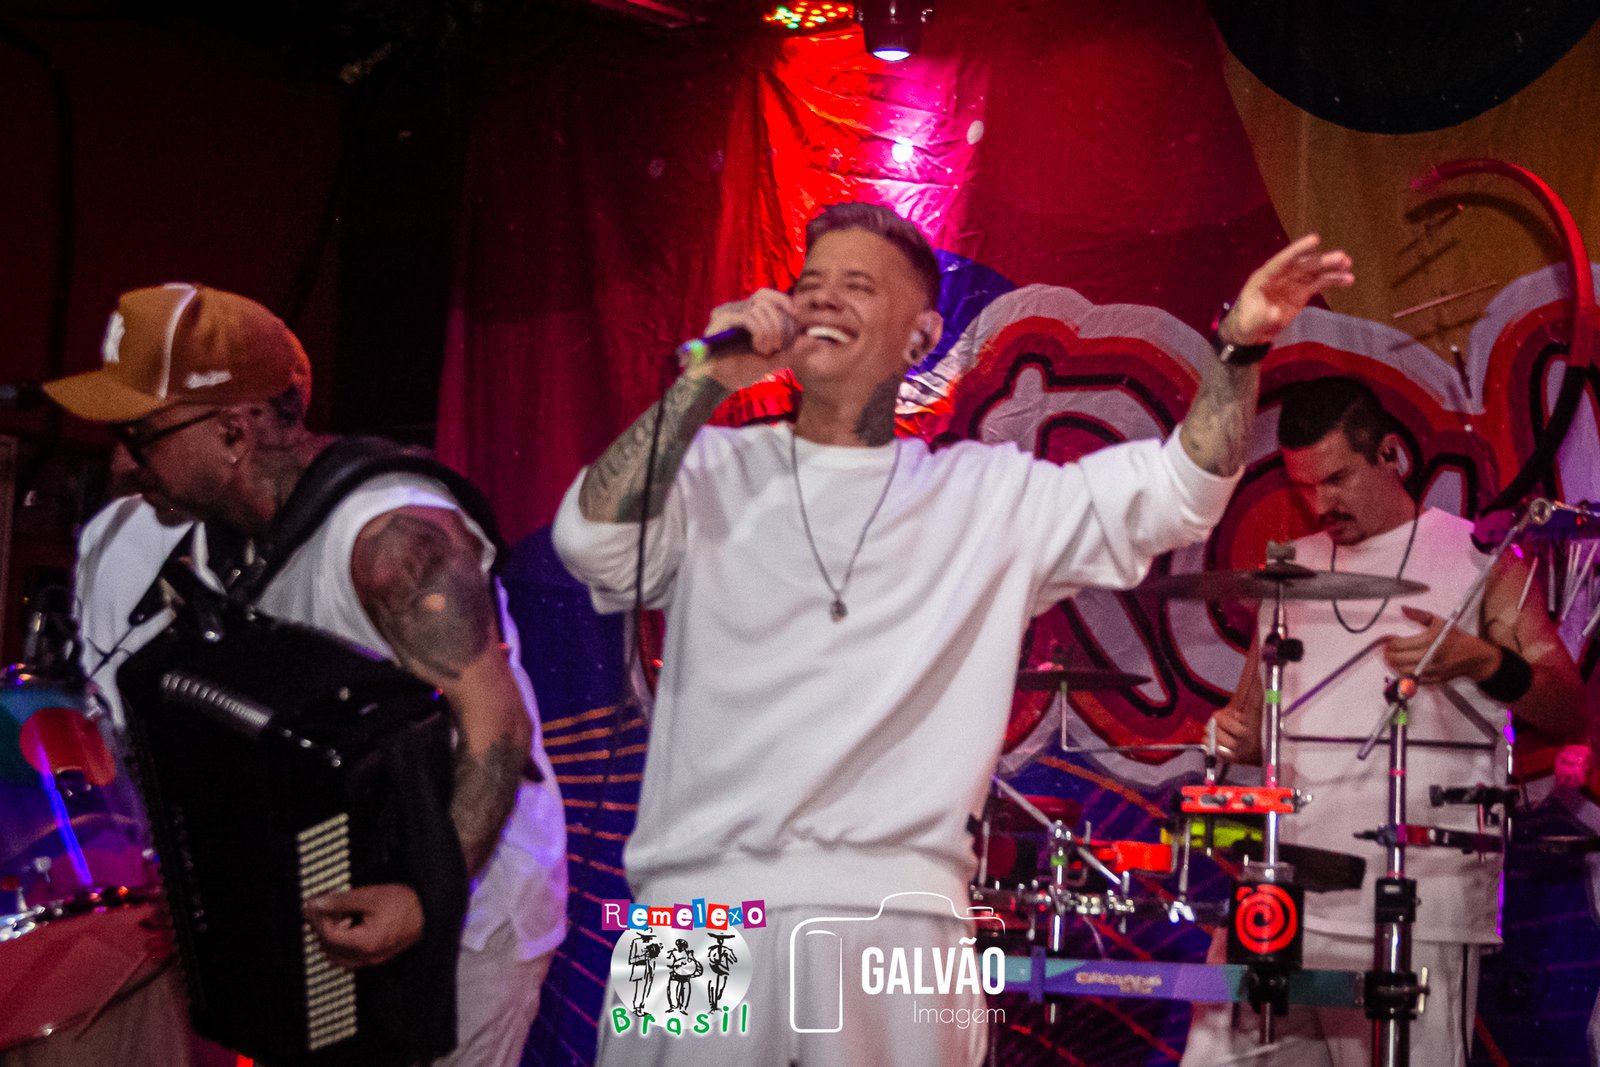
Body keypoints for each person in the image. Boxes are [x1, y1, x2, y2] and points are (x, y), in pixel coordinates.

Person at [552, 201, 1353, 1067]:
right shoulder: (709, 469)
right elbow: (589, 540)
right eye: (810, 283)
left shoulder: (984, 494)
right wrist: (706, 379)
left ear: (923, 334)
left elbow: (1182, 491)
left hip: (895, 916)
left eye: (858, 286)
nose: (823, 300)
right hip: (695, 911)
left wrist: (1239, 349)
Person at [42, 283, 569, 1067]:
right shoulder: (224, 543)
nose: (123, 461)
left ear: (233, 429)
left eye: (140, 434)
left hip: (472, 911)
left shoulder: (391, 540)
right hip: (350, 892)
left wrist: (425, 897)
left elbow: (498, 727)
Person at [1182, 376, 1587, 1067]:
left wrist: (1483, 661)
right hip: (1286, 886)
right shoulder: (1289, 571)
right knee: (1218, 1051)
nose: (1321, 504)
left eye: (1337, 478)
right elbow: (1251, 729)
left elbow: (1570, 707)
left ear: (1390, 454)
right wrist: (1229, 734)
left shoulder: (1478, 556)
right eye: (1304, 486)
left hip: (1418, 894)